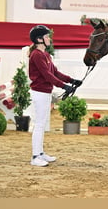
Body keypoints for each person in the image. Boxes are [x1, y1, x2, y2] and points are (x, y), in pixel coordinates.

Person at [28, 25, 83, 167]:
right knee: (39, 124)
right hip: (39, 92)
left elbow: (55, 73)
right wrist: (64, 86)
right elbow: (47, 76)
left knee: (42, 123)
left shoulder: (45, 55)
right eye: (46, 37)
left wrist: (71, 80)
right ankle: (35, 157)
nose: (49, 39)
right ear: (39, 39)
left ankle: (40, 153)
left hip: (45, 92)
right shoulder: (36, 55)